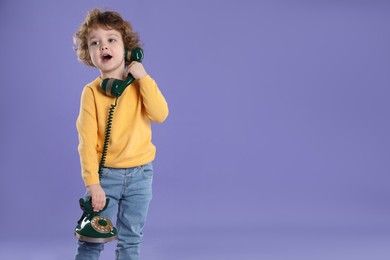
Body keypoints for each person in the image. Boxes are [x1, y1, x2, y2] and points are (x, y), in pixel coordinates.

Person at [73, 8, 169, 260]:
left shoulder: (140, 85)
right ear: (88, 54)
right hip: (107, 177)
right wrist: (93, 185)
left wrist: (143, 77)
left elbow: (160, 114)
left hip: (140, 175)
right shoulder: (91, 93)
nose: (103, 46)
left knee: (131, 240)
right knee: (92, 239)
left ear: (128, 49)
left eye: (111, 40)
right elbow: (86, 142)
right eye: (95, 43)